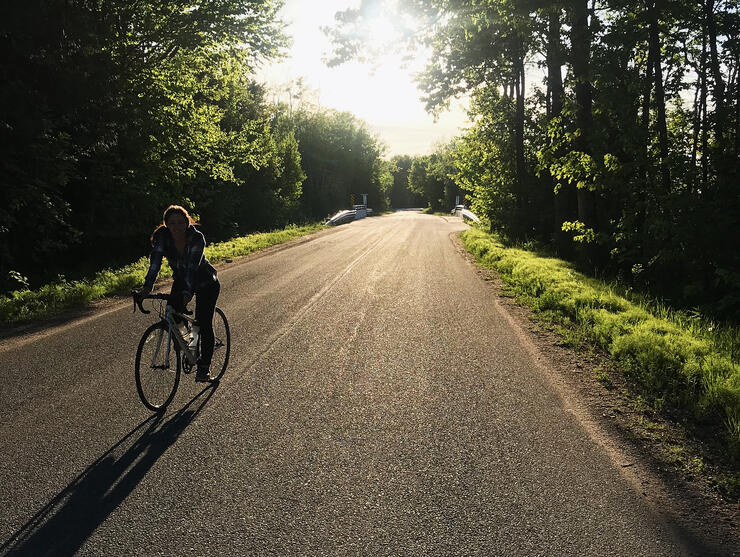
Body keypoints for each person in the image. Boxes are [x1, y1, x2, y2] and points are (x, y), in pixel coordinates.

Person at [136, 205, 220, 382]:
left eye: (181, 222)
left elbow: (192, 267)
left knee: (203, 323)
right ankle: (190, 347)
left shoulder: (196, 238)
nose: (176, 226)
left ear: (187, 222)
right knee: (173, 315)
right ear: (166, 224)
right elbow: (155, 263)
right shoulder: (162, 236)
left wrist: (188, 292)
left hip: (205, 281)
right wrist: (146, 288)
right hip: (181, 279)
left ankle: (204, 367)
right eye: (172, 223)